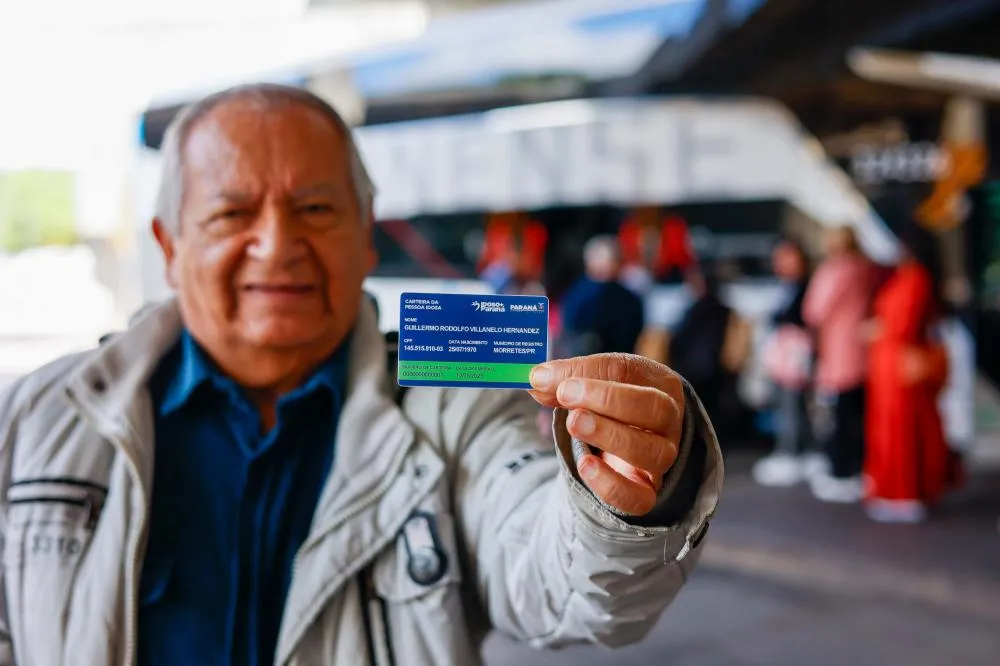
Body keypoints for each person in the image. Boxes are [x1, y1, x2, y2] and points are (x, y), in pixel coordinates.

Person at [0, 84, 722, 666]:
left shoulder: (453, 407)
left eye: (315, 208)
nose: (278, 246)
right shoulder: (40, 418)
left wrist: (614, 505)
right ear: (169, 244)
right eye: (232, 212)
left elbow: (548, 574)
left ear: (366, 230)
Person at [864, 225, 961, 523]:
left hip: (899, 366)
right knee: (896, 428)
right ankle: (897, 490)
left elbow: (902, 325)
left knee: (902, 430)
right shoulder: (912, 278)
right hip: (893, 366)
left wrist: (878, 329)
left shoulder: (915, 279)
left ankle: (904, 492)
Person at [803, 226, 874, 503]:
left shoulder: (835, 270)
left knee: (839, 417)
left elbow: (814, 310)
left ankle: (841, 472)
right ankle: (858, 467)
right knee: (857, 414)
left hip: (838, 352)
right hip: (860, 351)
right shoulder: (864, 268)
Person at [754, 238, 821, 487]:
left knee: (794, 405)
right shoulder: (785, 287)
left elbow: (803, 317)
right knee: (787, 405)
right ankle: (793, 450)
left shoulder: (804, 286)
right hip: (784, 358)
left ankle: (794, 452)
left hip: (796, 358)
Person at [668, 263, 752, 440]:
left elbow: (679, 340)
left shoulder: (694, 311)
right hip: (716, 373)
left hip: (695, 372)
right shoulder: (725, 311)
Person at [557, 235, 646, 357]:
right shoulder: (578, 293)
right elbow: (570, 329)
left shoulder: (628, 297)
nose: (617, 264)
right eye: (613, 259)